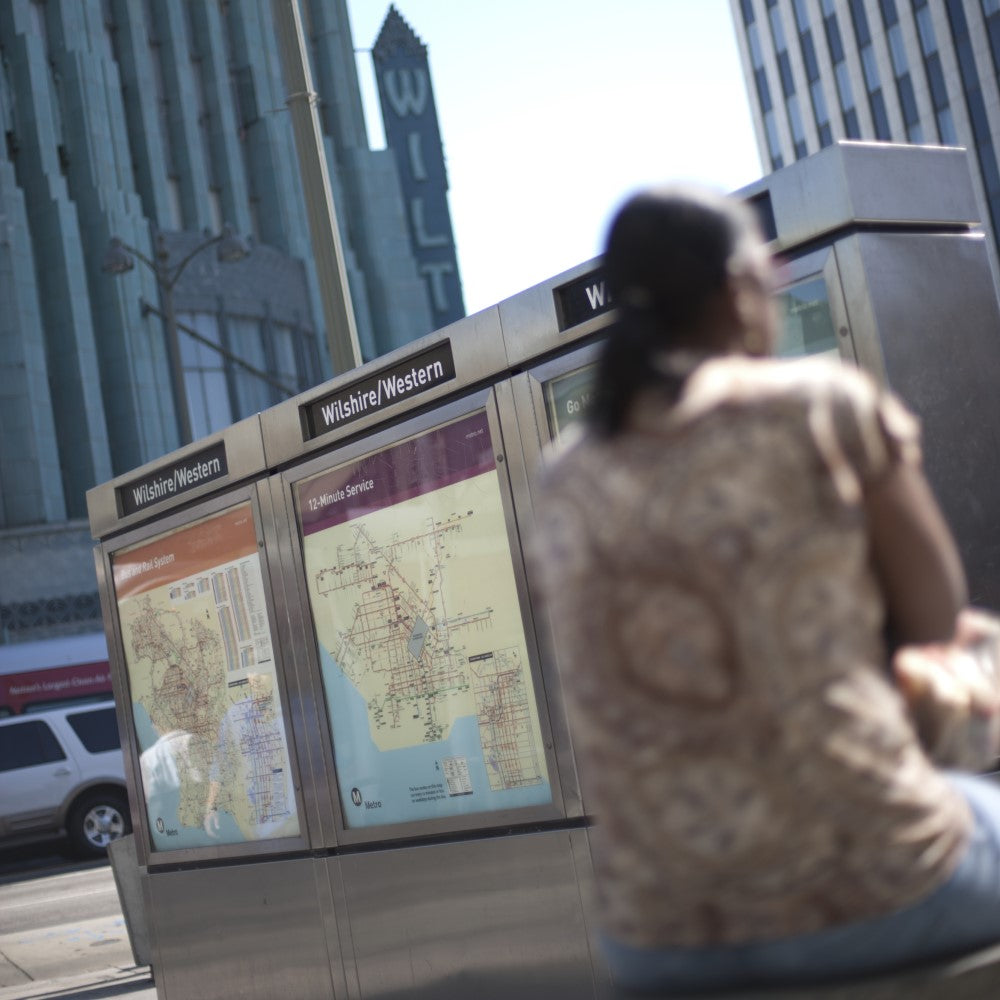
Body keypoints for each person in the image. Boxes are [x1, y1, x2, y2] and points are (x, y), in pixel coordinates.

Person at [531, 184, 1000, 994]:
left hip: (656, 932)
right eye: (765, 266)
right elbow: (932, 612)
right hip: (881, 885)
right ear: (732, 287)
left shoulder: (562, 473)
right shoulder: (820, 403)